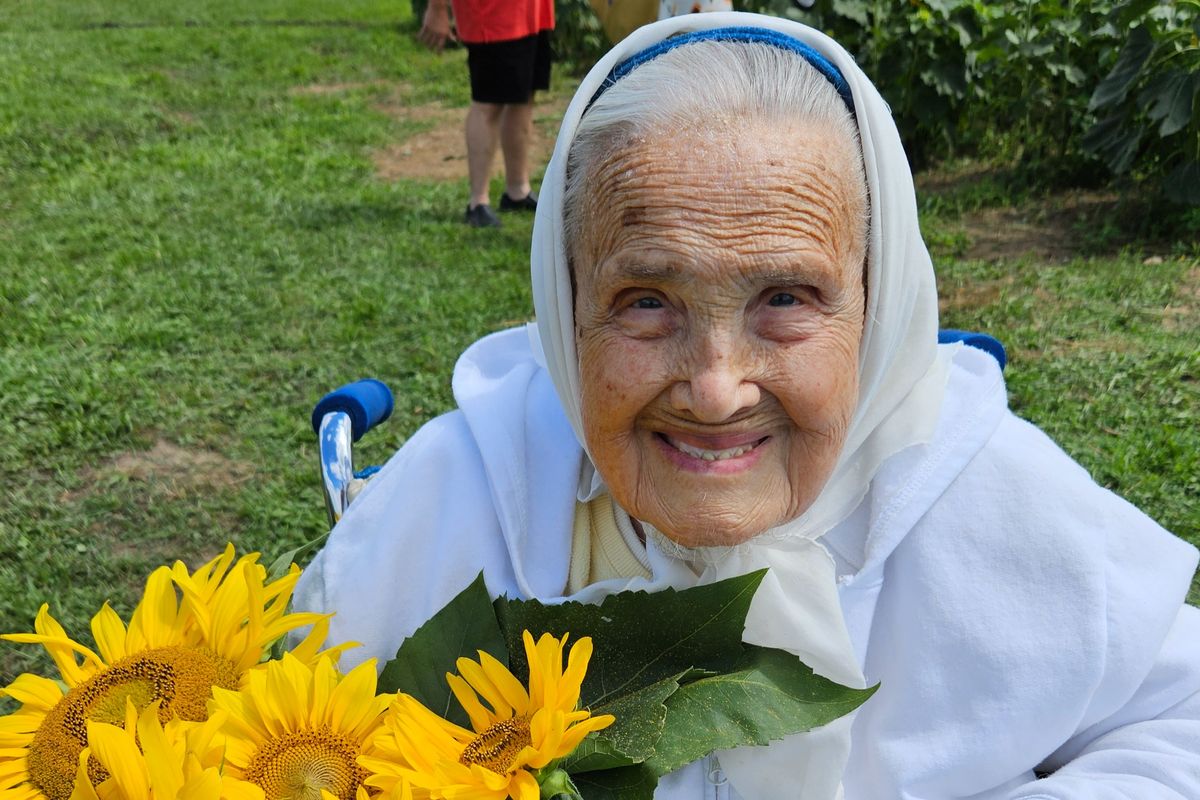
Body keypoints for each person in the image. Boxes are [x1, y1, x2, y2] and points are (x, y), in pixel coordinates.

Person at [296, 12, 1200, 798]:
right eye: (646, 301)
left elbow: (1180, 718)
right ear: (566, 305)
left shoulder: (984, 496)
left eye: (787, 298)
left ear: (876, 306)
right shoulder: (455, 501)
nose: (717, 388)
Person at [419, 0, 553, 227]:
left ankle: (517, 190)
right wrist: (437, 8)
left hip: (533, 12)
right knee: (488, 104)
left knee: (524, 96)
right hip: (491, 16)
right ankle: (478, 202)